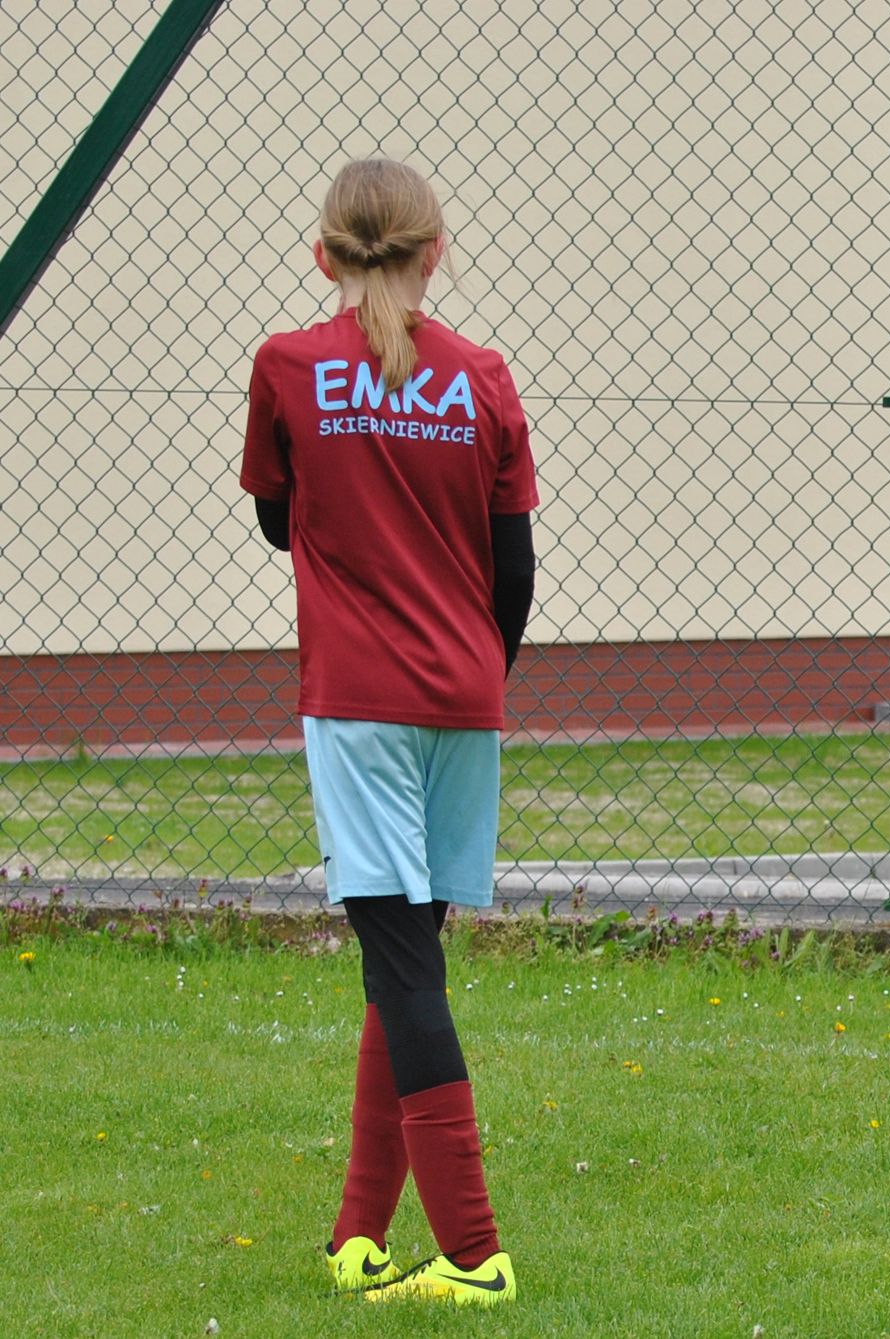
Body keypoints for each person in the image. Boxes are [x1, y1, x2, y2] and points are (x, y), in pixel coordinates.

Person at [240, 158, 538, 1300]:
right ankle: (358, 1235)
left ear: (324, 255)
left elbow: (278, 519)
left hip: (359, 702)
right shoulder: (485, 375)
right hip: (465, 700)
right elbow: (514, 567)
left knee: (405, 968)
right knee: (401, 962)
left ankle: (473, 1258)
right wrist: (471, 670)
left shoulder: (289, 365)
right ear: (437, 251)